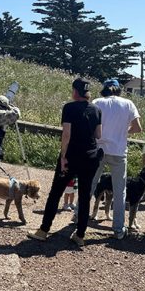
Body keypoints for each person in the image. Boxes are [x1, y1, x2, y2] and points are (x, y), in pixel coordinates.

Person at [28, 78, 102, 247]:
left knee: (56, 193)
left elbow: (66, 134)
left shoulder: (69, 107)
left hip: (71, 157)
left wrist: (63, 157)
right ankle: (80, 235)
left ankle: (43, 230)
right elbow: (98, 135)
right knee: (84, 197)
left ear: (75, 91)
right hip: (90, 157)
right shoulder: (96, 109)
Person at [92, 79, 142, 239]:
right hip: (119, 151)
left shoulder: (97, 102)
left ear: (104, 90)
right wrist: (122, 131)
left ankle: (79, 217)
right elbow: (138, 127)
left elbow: (91, 124)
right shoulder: (128, 104)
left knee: (90, 184)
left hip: (99, 148)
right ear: (119, 90)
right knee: (120, 191)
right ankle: (118, 228)